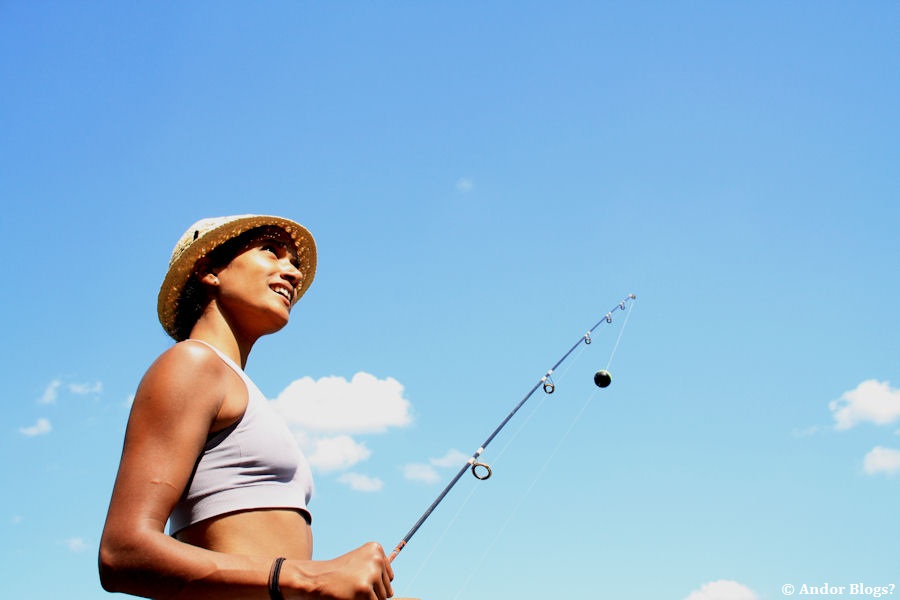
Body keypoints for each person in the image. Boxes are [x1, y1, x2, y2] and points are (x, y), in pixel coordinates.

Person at [99, 215, 396, 600]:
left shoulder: (236, 385)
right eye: (271, 251)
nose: (293, 273)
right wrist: (310, 577)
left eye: (295, 264)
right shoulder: (193, 363)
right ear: (209, 271)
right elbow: (122, 553)